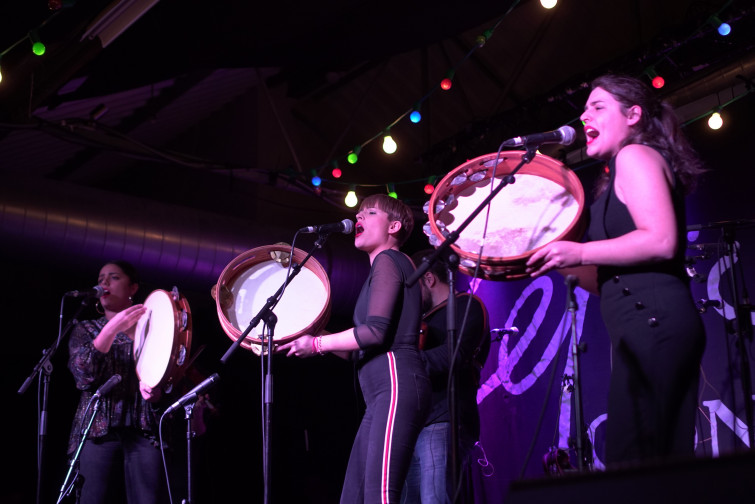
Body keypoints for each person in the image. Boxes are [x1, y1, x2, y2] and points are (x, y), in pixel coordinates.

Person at [525, 73, 706, 467]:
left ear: (633, 115)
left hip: (655, 324)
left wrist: (581, 249)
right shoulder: (614, 177)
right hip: (643, 329)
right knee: (648, 465)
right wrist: (557, 258)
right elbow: (606, 282)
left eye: (598, 106)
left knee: (641, 465)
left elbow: (661, 241)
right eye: (585, 107)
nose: (584, 115)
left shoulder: (634, 155)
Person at [279, 194, 431, 503]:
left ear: (394, 226)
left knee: (380, 495)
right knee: (355, 496)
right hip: (380, 395)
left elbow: (374, 333)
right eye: (358, 213)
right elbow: (354, 350)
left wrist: (317, 344)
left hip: (396, 384)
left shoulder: (390, 260)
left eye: (370, 212)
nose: (358, 218)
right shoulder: (378, 272)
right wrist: (312, 333)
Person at [66, 260, 167, 504]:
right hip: (98, 430)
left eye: (113, 277)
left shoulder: (155, 328)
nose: (104, 283)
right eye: (101, 279)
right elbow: (83, 375)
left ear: (133, 288)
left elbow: (169, 374)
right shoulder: (86, 328)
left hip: (144, 431)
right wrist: (112, 329)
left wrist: (158, 395)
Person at [401, 249, 490, 504]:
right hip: (412, 425)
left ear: (428, 279)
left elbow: (454, 354)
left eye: (413, 286)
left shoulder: (467, 305)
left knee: (435, 499)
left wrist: (401, 364)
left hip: (444, 419)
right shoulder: (414, 320)